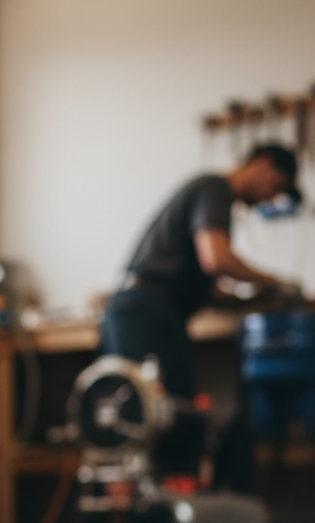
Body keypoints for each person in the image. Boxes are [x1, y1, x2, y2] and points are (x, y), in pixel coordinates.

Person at [101, 143, 302, 399]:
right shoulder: (215, 188)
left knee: (172, 412)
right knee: (148, 415)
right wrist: (274, 282)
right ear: (263, 163)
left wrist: (255, 296)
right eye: (276, 187)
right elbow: (216, 260)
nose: (272, 198)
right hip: (144, 312)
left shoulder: (215, 197)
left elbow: (213, 287)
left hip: (155, 312)